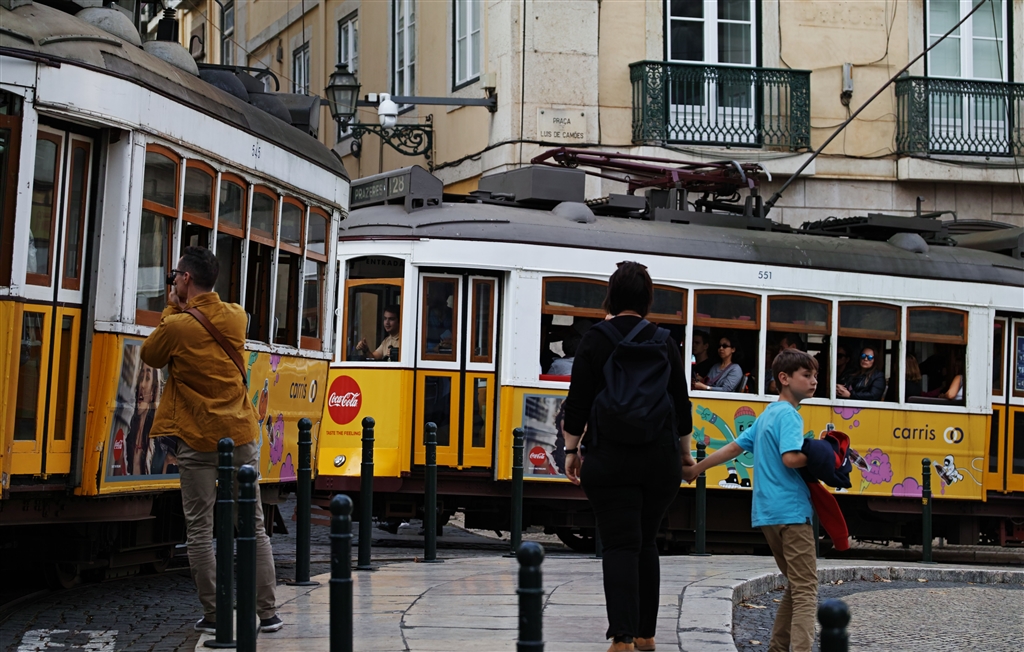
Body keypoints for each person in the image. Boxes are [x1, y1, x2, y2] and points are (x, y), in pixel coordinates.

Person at [140, 246, 282, 635]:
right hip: (240, 435)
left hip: (198, 438)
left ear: (185, 279)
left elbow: (151, 354)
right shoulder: (236, 316)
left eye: (175, 276)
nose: (173, 282)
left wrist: (171, 309)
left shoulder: (176, 326)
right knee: (253, 525)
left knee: (200, 530)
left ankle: (217, 614)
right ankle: (268, 612)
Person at [562, 261, 693, 652]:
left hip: (610, 456)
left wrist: (571, 450)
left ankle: (621, 637)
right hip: (660, 459)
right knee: (646, 541)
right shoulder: (665, 341)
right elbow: (682, 405)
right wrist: (685, 455)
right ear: (648, 298)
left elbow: (577, 403)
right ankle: (645, 634)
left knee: (620, 544)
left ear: (611, 296)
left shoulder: (595, 339)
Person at [683, 349, 819, 652]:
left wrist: (696, 469)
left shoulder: (768, 414)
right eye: (807, 375)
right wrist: (824, 455)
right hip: (792, 511)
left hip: (767, 514)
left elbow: (733, 448)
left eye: (815, 376)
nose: (814, 381)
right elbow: (791, 458)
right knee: (806, 588)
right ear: (784, 378)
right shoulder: (790, 415)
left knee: (796, 584)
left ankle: (778, 649)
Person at [126, 364, 160, 476]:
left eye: (147, 378)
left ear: (153, 391)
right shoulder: (124, 434)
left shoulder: (159, 445)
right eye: (140, 377)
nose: (141, 385)